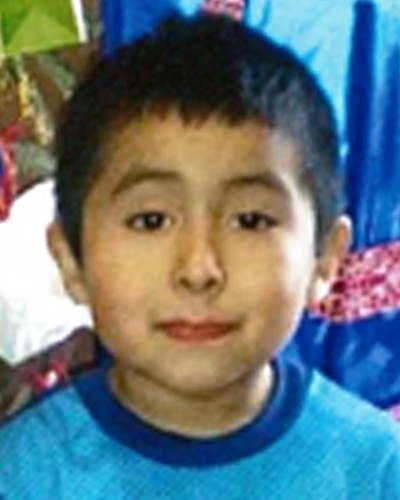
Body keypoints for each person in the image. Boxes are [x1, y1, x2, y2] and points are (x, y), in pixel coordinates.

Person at [0, 13, 399, 498]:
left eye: (250, 220)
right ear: (70, 259)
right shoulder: (24, 474)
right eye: (151, 220)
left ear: (325, 259)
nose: (199, 269)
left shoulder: (376, 469)